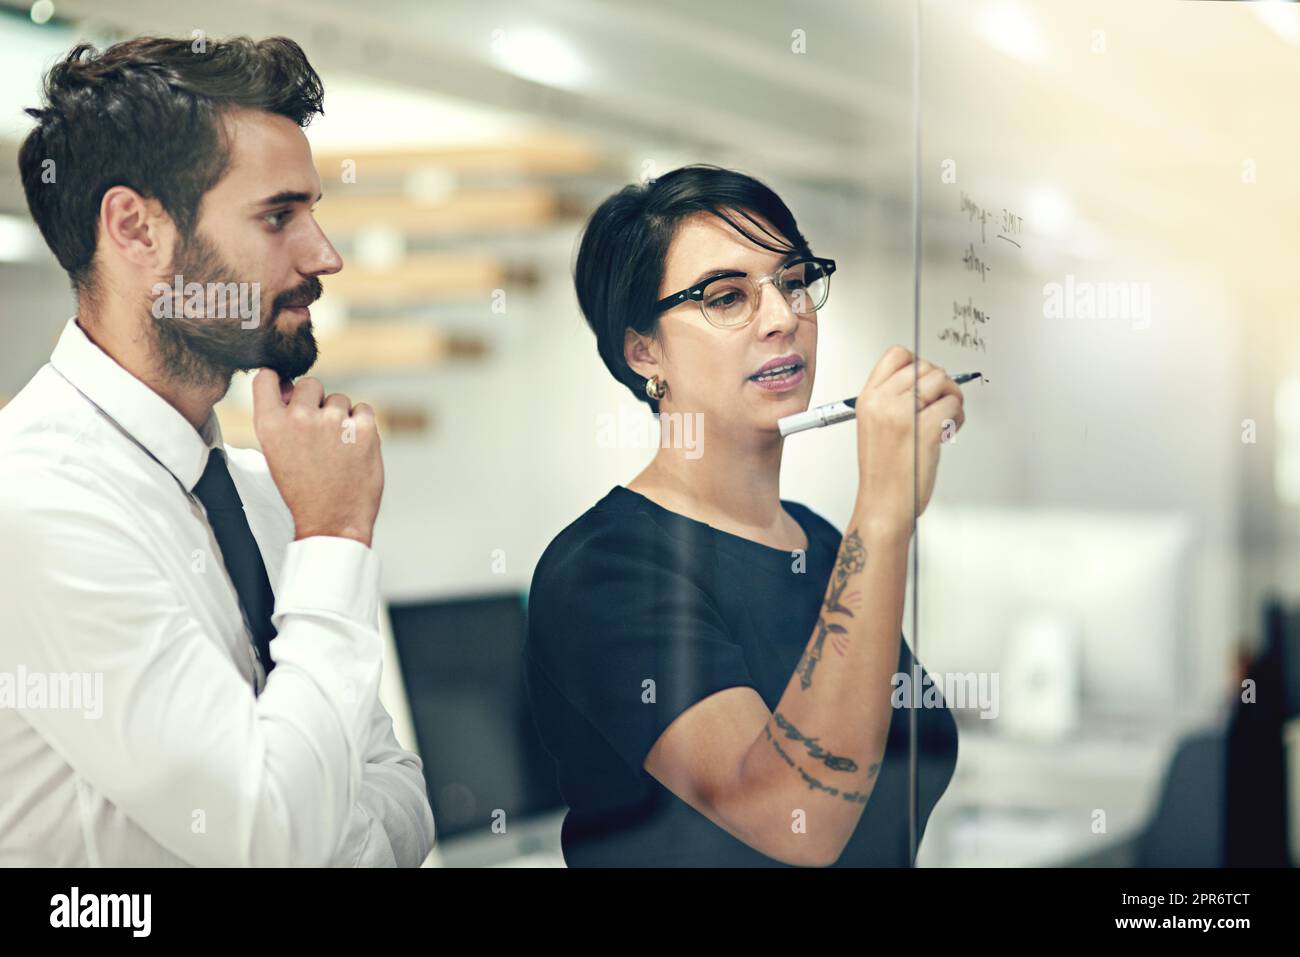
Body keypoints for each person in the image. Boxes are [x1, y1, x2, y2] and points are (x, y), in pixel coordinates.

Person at [0, 36, 435, 866]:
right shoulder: (32, 501)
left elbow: (400, 783)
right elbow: (271, 834)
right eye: (279, 216)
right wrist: (337, 534)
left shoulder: (263, 490)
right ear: (136, 228)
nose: (324, 256)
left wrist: (328, 829)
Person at [525, 165, 963, 866]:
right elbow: (795, 815)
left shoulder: (819, 544)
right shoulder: (604, 568)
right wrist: (883, 511)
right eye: (726, 297)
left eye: (793, 282)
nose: (784, 316)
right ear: (644, 352)